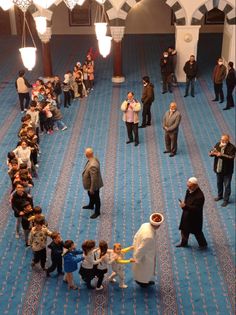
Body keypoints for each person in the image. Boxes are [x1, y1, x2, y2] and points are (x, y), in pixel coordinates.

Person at [132, 213, 164, 287]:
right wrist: (136, 259)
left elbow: (136, 236)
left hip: (139, 248)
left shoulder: (145, 225)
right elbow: (142, 250)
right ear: (159, 225)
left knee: (142, 270)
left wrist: (134, 245)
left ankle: (142, 280)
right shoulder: (149, 237)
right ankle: (143, 283)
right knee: (144, 270)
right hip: (144, 257)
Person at [177, 177, 208, 249]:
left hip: (195, 218)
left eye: (190, 186)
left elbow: (196, 209)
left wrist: (185, 206)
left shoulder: (200, 196)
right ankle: (184, 243)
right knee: (184, 230)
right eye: (188, 185)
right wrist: (183, 206)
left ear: (195, 185)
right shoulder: (189, 190)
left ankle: (203, 245)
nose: (188, 187)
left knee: (197, 232)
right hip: (187, 214)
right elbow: (186, 200)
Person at [209, 134, 236, 207]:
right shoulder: (218, 144)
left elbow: (231, 157)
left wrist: (221, 155)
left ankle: (226, 200)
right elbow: (213, 150)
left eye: (223, 140)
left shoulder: (232, 147)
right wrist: (211, 153)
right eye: (221, 140)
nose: (222, 141)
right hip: (219, 168)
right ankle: (220, 195)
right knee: (219, 183)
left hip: (227, 170)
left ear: (227, 141)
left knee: (227, 186)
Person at [82, 148, 103, 219]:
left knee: (96, 198)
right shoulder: (94, 159)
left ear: (87, 154)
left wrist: (92, 188)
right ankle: (91, 205)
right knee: (90, 195)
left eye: (85, 152)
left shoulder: (93, 165)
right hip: (90, 185)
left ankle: (97, 212)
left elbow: (94, 179)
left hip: (93, 186)